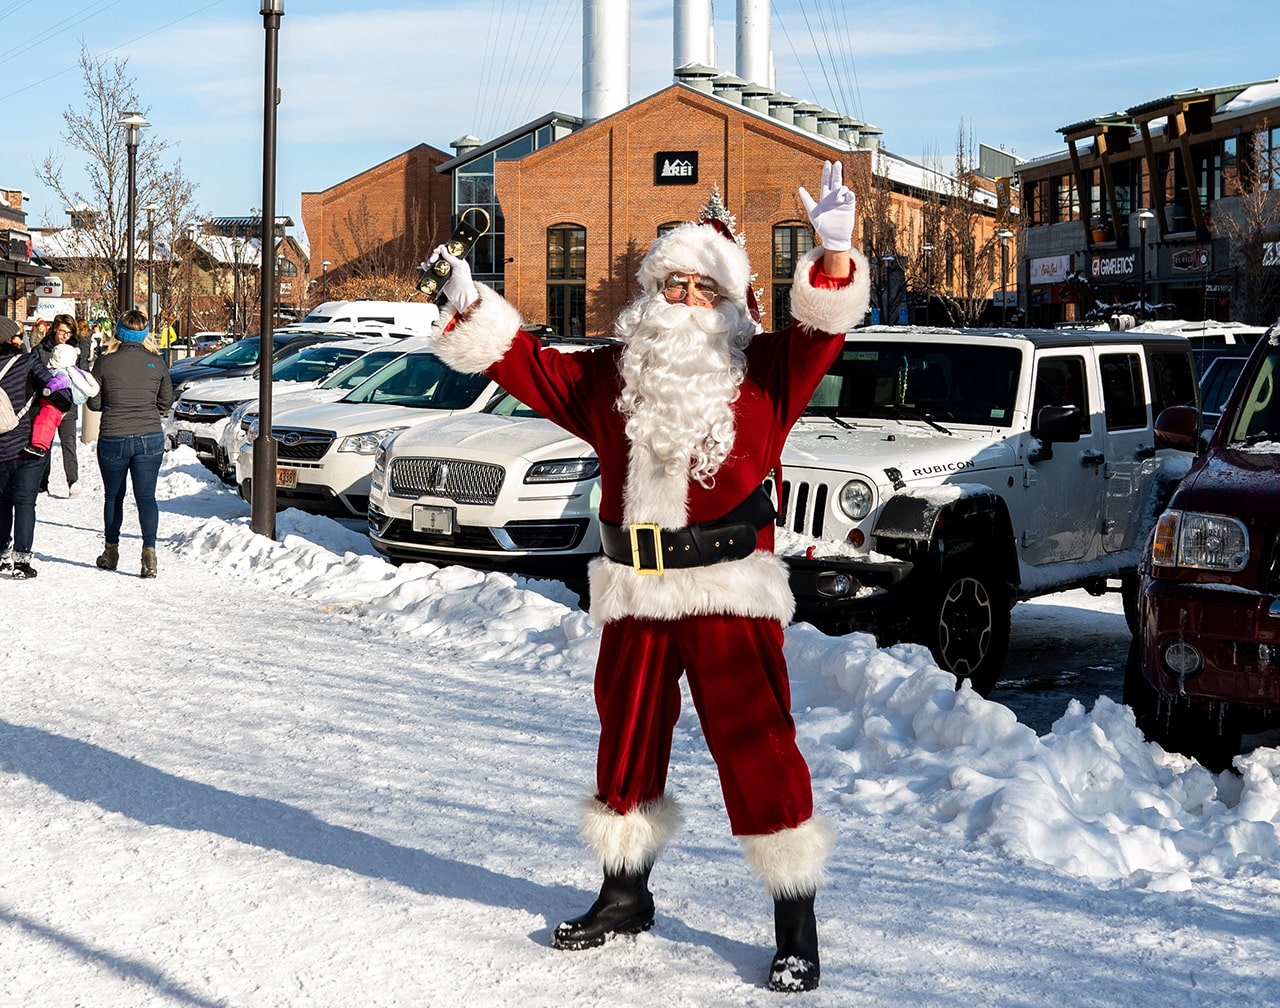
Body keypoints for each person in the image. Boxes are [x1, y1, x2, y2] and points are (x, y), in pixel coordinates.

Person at [426, 161, 869, 992]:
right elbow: (525, 365)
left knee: (758, 744)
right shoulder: (610, 379)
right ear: (647, 294)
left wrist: (835, 257)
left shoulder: (766, 373)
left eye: (703, 287)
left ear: (731, 304)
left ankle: (795, 923)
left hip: (728, 589)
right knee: (624, 737)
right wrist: (466, 302)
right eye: (671, 283)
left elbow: (822, 332)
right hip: (633, 589)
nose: (684, 299)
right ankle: (623, 894)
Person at [87, 310, 173, 578]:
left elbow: (94, 402)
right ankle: (149, 553)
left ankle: (111, 552)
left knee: (114, 496)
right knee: (146, 497)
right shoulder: (157, 363)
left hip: (114, 435)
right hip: (149, 436)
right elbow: (166, 404)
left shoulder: (105, 362)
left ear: (119, 332)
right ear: (145, 333)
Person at [0, 315, 58, 579]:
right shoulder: (28, 361)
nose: (22, 338)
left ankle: (1, 555)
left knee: (1, 503)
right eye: (17, 334)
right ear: (9, 339)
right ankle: (22, 561)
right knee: (24, 503)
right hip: (27, 446)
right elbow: (56, 391)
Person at [34, 313, 91, 497]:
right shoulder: (41, 350)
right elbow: (33, 375)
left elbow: (82, 373)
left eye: (69, 332)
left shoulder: (74, 349)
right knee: (45, 443)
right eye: (62, 331)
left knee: (69, 443)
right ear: (54, 329)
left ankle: (72, 481)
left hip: (68, 404)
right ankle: (42, 482)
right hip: (46, 404)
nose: (65, 336)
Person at [24, 342, 98, 459]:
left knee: (45, 421)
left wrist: (49, 388)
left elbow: (60, 382)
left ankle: (39, 445)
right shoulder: (68, 370)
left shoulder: (62, 372)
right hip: (53, 403)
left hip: (52, 404)